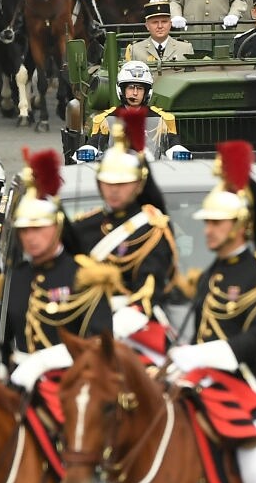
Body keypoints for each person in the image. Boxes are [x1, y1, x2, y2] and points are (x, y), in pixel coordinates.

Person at [169, 141, 256, 483]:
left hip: (248, 387)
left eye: (216, 223)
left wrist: (205, 354)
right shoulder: (212, 273)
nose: (207, 230)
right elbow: (199, 330)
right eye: (206, 223)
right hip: (206, 382)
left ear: (239, 226)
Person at [0, 149, 114, 387]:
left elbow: (99, 344)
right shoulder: (15, 277)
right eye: (25, 231)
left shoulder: (85, 276)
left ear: (56, 228)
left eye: (38, 229)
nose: (31, 238)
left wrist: (44, 362)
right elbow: (1, 342)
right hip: (20, 384)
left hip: (72, 385)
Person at [71, 111, 178, 360]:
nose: (114, 190)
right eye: (108, 183)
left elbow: (148, 291)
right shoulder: (84, 226)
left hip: (136, 333)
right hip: (82, 327)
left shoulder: (153, 229)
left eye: (122, 184)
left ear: (138, 184)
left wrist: (111, 329)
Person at [84, 61, 185, 156]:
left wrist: (177, 149)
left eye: (140, 88)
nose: (135, 93)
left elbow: (173, 142)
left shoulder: (162, 119)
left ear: (147, 92)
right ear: (122, 90)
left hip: (152, 167)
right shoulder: (105, 119)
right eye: (131, 88)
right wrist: (88, 149)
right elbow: (94, 143)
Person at [124, 0, 195, 62]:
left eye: (164, 22)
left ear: (170, 24)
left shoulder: (185, 48)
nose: (160, 26)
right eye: (155, 22)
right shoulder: (135, 50)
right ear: (147, 26)